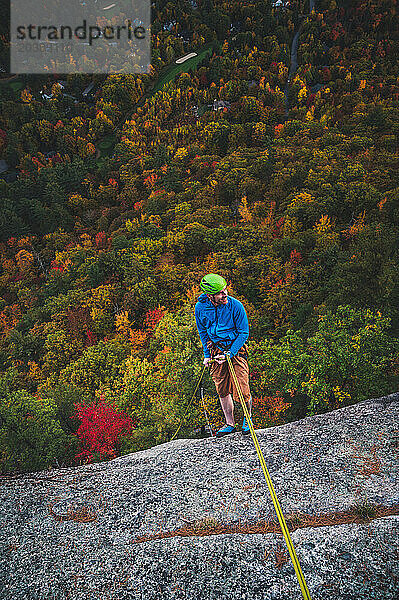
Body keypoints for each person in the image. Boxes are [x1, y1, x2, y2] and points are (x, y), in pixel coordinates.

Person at [194, 273, 253, 437]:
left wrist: (230, 353)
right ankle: (230, 424)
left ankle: (248, 420)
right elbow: (203, 332)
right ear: (209, 295)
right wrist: (207, 355)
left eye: (225, 290)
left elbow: (243, 333)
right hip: (215, 350)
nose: (225, 294)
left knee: (242, 388)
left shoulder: (235, 306)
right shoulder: (200, 308)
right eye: (220, 293)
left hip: (235, 348)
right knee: (221, 388)